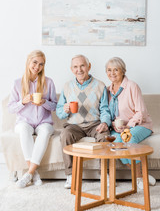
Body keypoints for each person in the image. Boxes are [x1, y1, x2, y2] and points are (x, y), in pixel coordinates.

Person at [56, 54, 111, 189]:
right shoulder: (67, 86)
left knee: (104, 137)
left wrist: (105, 123)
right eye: (75, 67)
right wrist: (65, 110)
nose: (79, 69)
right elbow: (59, 112)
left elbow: (105, 109)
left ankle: (105, 173)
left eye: (82, 66)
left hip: (95, 124)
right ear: (71, 69)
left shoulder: (100, 85)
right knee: (65, 135)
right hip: (75, 125)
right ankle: (70, 175)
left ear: (89, 66)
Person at [8, 50, 57, 188]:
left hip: (44, 121)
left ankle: (29, 172)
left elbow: (55, 106)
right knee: (24, 129)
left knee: (46, 131)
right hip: (24, 121)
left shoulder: (49, 82)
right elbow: (10, 108)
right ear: (28, 62)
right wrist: (22, 102)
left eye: (41, 64)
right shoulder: (17, 83)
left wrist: (44, 103)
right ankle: (33, 173)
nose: (37, 66)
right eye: (35, 62)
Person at [105, 57, 156, 189]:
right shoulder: (107, 90)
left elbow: (141, 112)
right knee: (114, 142)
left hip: (140, 125)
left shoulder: (132, 86)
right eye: (109, 70)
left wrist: (128, 126)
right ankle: (142, 175)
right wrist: (113, 124)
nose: (112, 73)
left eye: (116, 69)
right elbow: (107, 112)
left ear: (123, 71)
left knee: (128, 137)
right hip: (118, 128)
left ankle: (139, 178)